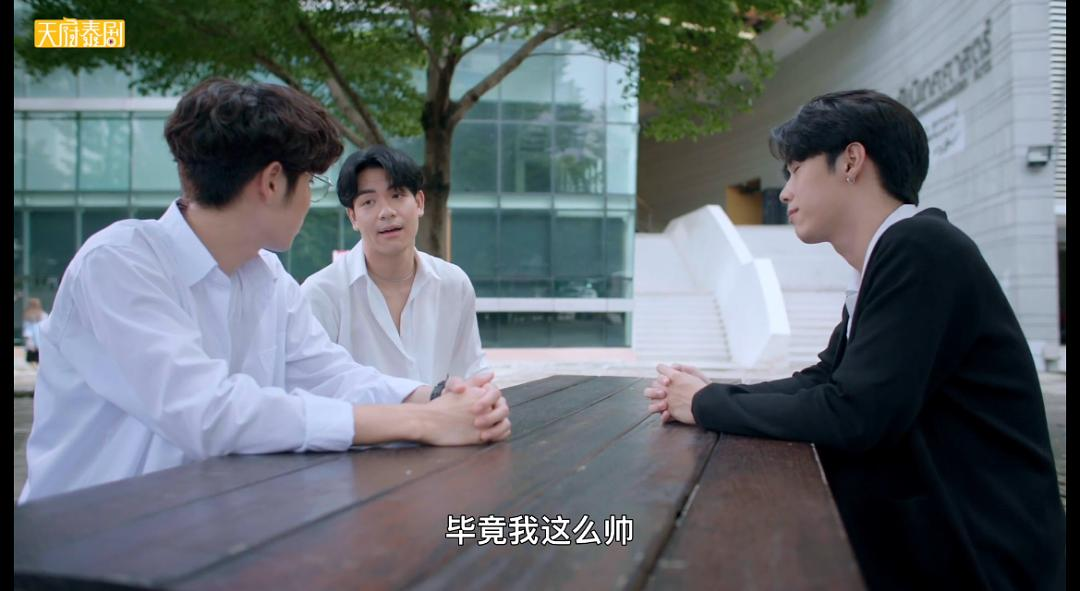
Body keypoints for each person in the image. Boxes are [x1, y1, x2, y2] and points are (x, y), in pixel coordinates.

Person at [645, 90, 1065, 589]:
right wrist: (710, 393)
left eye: (795, 169)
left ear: (850, 161)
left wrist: (707, 404)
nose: (785, 193)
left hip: (985, 558)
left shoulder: (920, 248)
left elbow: (855, 414)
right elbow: (822, 379)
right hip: (940, 536)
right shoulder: (893, 254)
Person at [20, 78, 510, 504]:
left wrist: (437, 397)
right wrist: (423, 423)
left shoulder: (268, 278)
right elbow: (209, 413)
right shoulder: (120, 262)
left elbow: (330, 375)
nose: (310, 200)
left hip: (207, 536)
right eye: (311, 181)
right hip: (87, 542)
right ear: (273, 182)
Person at [302, 146, 490, 385]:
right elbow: (314, 389)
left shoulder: (454, 283)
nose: (386, 212)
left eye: (397, 195)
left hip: (441, 411)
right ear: (353, 217)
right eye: (369, 201)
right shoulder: (321, 293)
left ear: (419, 202)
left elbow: (471, 370)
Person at [21, 297, 49, 366]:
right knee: (32, 360)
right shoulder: (28, 316)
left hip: (41, 340)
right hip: (33, 341)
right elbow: (27, 330)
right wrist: (29, 341)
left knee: (41, 359)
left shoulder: (43, 315)